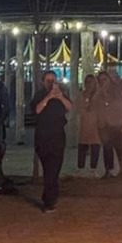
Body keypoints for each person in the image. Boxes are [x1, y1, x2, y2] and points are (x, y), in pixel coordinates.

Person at [30, 71, 73, 212]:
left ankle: (49, 199)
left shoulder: (61, 95)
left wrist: (59, 96)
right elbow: (37, 110)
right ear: (43, 82)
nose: (50, 83)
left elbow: (70, 107)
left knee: (54, 169)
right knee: (49, 169)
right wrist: (48, 97)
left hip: (57, 137)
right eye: (47, 80)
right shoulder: (39, 95)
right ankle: (50, 199)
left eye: (52, 80)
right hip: (43, 137)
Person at [95, 72, 122, 178]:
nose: (103, 82)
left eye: (105, 79)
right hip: (104, 124)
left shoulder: (116, 91)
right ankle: (108, 170)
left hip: (116, 123)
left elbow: (119, 104)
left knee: (120, 147)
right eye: (101, 80)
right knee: (107, 147)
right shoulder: (98, 93)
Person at [77, 74, 101, 177]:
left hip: (96, 124)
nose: (89, 84)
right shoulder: (81, 95)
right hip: (84, 124)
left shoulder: (98, 95)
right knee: (83, 146)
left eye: (91, 82)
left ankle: (93, 168)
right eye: (87, 82)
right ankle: (80, 168)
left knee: (95, 146)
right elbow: (79, 108)